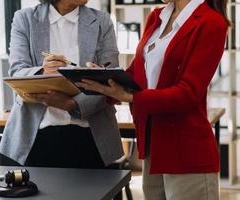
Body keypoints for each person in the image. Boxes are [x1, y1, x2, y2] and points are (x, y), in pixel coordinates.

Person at [77, 0, 229, 199]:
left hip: (186, 153)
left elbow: (188, 93)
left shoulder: (211, 22)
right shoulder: (156, 17)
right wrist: (105, 78)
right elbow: (136, 74)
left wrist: (131, 97)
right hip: (152, 149)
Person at [0, 0, 123, 169]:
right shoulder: (24, 19)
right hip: (35, 137)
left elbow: (112, 80)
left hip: (92, 135)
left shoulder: (102, 20)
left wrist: (72, 104)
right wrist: (43, 71)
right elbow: (17, 72)